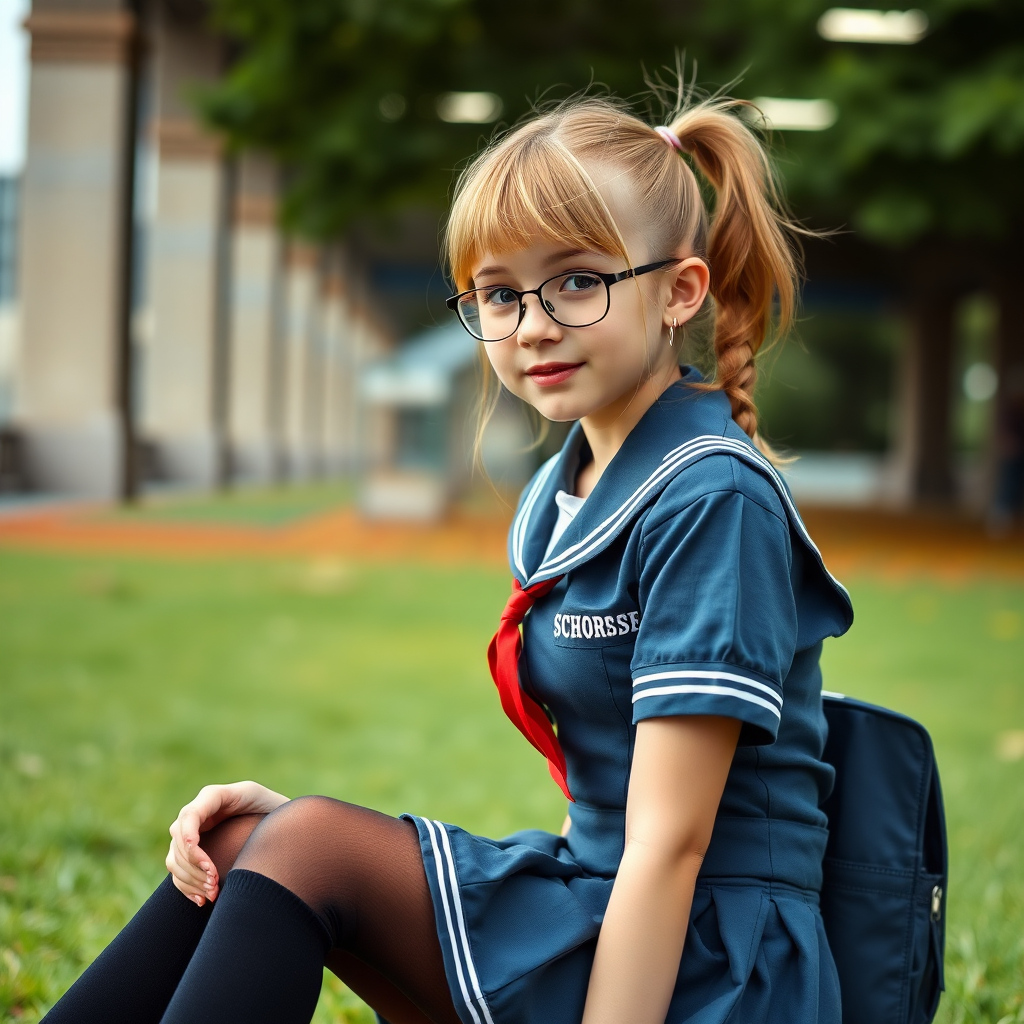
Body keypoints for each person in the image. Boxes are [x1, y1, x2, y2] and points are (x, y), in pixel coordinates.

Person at [41, 89, 853, 1024]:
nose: (533, 325)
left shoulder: (713, 498)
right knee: (245, 843)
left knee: (300, 842)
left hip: (713, 962)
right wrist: (273, 841)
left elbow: (671, 845)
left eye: (579, 280)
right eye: (500, 294)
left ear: (679, 291)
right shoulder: (574, 483)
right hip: (600, 900)